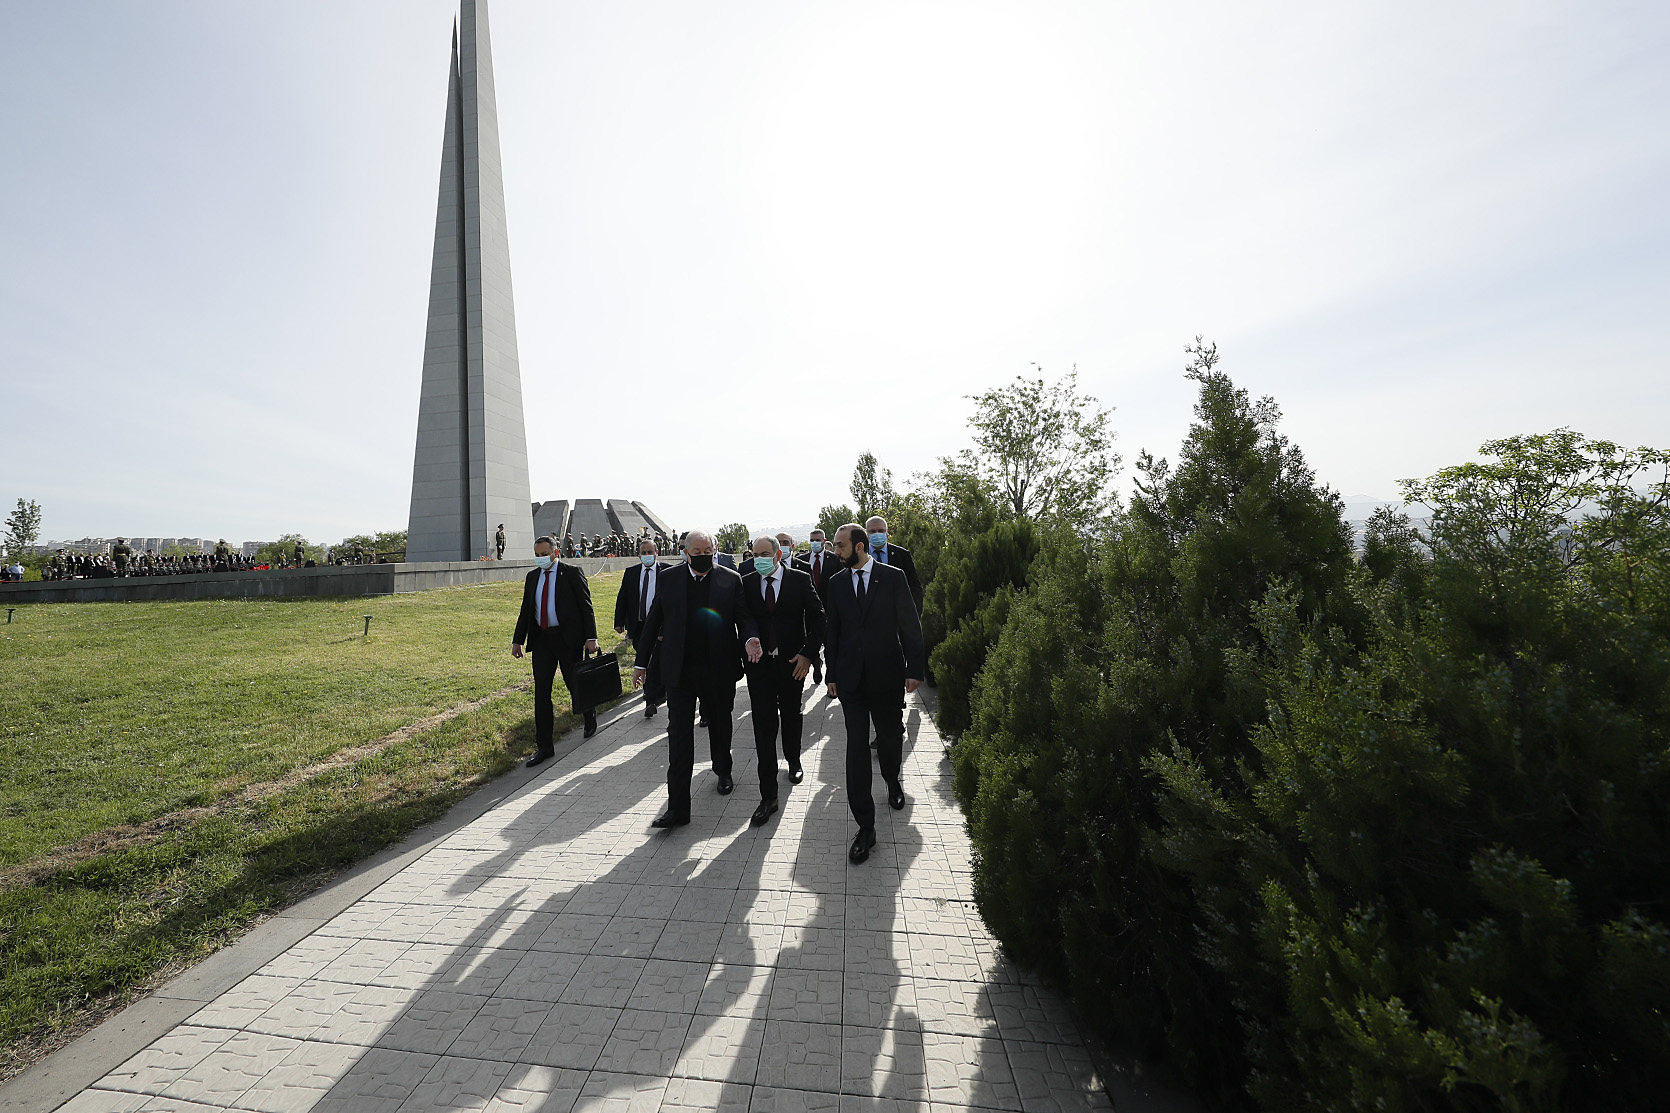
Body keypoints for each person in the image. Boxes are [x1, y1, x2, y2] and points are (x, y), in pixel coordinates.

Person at [632, 530, 761, 829]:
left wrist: (750, 638)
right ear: (685, 553)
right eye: (697, 552)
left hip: (719, 669)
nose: (703, 556)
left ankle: (723, 769)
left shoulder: (730, 579)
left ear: (714, 550)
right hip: (680, 671)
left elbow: (743, 617)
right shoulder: (669, 578)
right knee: (678, 737)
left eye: (708, 551)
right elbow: (653, 621)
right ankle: (677, 808)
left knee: (720, 724)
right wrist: (641, 663)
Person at [824, 523, 926, 864]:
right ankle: (865, 826)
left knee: (889, 738)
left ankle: (892, 780)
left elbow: (910, 624)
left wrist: (914, 669)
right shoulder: (836, 583)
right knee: (856, 748)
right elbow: (833, 631)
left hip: (886, 676)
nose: (836, 551)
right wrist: (832, 674)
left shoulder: (893, 577)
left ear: (860, 546)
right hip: (851, 681)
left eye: (840, 545)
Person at [740, 536, 824, 826]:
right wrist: (750, 638)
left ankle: (793, 759)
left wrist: (808, 654)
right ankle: (768, 796)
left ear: (778, 555)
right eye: (755, 554)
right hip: (759, 665)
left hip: (792, 664)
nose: (759, 559)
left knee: (790, 714)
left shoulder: (799, 580)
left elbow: (819, 618)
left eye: (765, 554)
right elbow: (744, 617)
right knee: (763, 724)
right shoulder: (747, 582)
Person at [511, 534, 601, 765]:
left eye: (545, 554)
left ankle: (588, 714)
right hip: (542, 641)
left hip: (568, 640)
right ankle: (544, 747)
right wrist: (518, 640)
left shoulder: (571, 573)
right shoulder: (533, 577)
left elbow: (586, 607)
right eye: (537, 555)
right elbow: (526, 610)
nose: (541, 558)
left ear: (556, 552)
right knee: (542, 693)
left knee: (574, 684)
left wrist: (591, 638)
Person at [614, 536, 672, 719]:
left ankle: (652, 697)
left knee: (656, 660)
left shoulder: (668, 571)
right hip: (639, 625)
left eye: (650, 552)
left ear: (657, 553)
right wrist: (619, 621)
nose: (647, 555)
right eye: (643, 553)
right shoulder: (631, 572)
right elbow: (623, 597)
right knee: (643, 658)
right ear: (639, 555)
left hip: (660, 626)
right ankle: (651, 693)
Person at [796, 529, 843, 684]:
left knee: (831, 647)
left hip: (830, 611)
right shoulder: (801, 561)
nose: (815, 543)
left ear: (824, 541)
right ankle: (816, 665)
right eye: (812, 540)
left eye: (818, 540)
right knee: (811, 642)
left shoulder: (834, 560)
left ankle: (831, 678)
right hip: (808, 613)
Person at [864, 516, 923, 614]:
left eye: (881, 531)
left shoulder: (902, 555)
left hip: (896, 613)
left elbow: (914, 586)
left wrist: (913, 613)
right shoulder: (860, 555)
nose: (877, 534)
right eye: (872, 531)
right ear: (866, 534)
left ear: (887, 533)